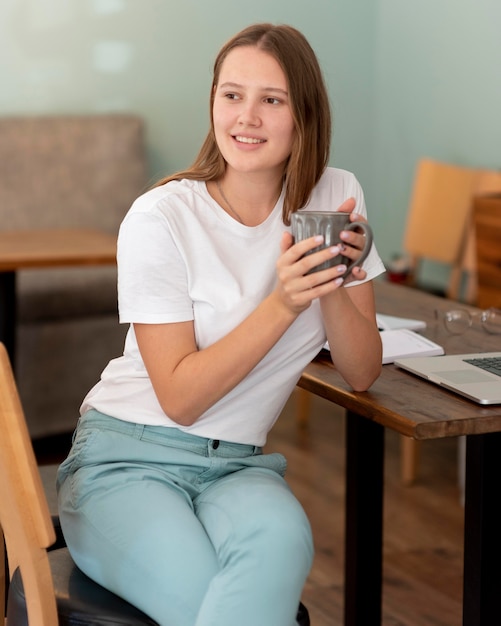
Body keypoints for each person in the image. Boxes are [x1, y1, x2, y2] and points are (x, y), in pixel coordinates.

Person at [57, 22, 385, 626]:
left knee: (284, 544)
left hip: (238, 467)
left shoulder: (335, 194)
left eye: (272, 99)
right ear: (212, 103)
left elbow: (363, 373)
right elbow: (180, 399)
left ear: (303, 114)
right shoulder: (162, 216)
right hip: (125, 460)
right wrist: (284, 303)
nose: (247, 117)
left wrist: (338, 277)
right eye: (232, 95)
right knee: (225, 606)